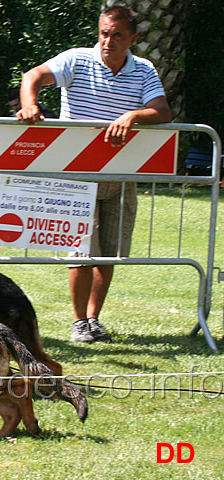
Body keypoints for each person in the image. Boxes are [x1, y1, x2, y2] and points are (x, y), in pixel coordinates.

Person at [16, 5, 171, 343]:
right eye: (103, 33)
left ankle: (93, 319)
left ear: (133, 38)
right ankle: (77, 321)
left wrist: (132, 116)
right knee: (81, 250)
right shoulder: (77, 60)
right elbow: (33, 76)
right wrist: (30, 103)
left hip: (121, 173)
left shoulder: (143, 70)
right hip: (78, 173)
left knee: (109, 251)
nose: (108, 41)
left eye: (117, 35)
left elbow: (162, 110)